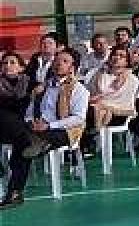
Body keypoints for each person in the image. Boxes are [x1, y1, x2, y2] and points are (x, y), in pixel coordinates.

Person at [0, 49, 88, 209]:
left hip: (63, 130)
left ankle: (15, 193)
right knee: (14, 127)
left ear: (72, 67)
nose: (59, 63)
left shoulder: (79, 89)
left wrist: (49, 125)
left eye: (65, 61)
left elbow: (78, 118)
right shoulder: (44, 87)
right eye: (57, 60)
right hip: (37, 128)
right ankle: (15, 193)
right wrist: (31, 121)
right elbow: (30, 110)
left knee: (23, 145)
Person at [81, 46, 139, 158]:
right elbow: (90, 92)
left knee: (90, 112)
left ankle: (86, 143)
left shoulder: (132, 79)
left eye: (121, 56)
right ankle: (79, 145)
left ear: (127, 61)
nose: (117, 58)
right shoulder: (100, 74)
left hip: (119, 112)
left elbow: (126, 101)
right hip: (96, 108)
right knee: (82, 111)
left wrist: (104, 104)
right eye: (115, 55)